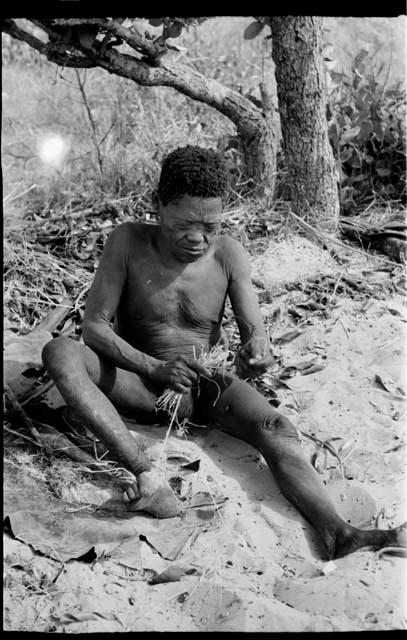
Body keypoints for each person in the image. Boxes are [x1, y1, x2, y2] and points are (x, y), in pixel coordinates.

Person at [42, 145, 406, 560]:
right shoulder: (127, 241)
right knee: (60, 352)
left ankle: (338, 532)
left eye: (210, 225)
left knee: (275, 426)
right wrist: (154, 366)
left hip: (203, 387)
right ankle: (147, 476)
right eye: (183, 225)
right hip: (138, 382)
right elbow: (93, 328)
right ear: (158, 207)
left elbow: (256, 333)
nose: (197, 238)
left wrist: (257, 351)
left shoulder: (228, 254)